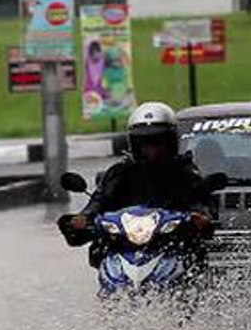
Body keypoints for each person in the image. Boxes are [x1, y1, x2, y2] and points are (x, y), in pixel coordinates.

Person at [60, 102, 216, 250]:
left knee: (195, 254)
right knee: (99, 251)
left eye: (158, 143)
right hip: (122, 248)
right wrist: (81, 220)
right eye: (145, 144)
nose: (152, 150)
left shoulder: (185, 174)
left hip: (172, 247)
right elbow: (99, 202)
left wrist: (200, 218)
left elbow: (201, 203)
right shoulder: (120, 173)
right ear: (135, 145)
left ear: (170, 142)